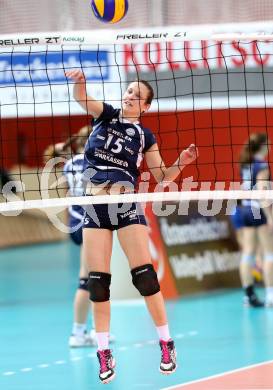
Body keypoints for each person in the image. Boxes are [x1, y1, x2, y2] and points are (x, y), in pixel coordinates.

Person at [65, 69, 198, 384]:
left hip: (125, 205)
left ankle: (166, 343)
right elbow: (82, 99)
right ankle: (103, 352)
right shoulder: (106, 115)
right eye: (128, 91)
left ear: (146, 107)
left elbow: (163, 176)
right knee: (97, 283)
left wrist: (182, 162)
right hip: (96, 206)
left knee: (146, 277)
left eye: (137, 96)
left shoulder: (145, 136)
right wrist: (79, 84)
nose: (129, 96)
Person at [44, 127, 115, 347]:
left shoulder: (68, 164)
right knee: (90, 280)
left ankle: (88, 330)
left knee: (94, 277)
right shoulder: (96, 164)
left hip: (74, 225)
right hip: (90, 225)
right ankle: (81, 332)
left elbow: (49, 154)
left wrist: (64, 146)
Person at [232, 132, 273, 308]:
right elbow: (262, 192)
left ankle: (248, 295)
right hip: (257, 209)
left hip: (243, 209)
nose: (270, 146)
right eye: (268, 143)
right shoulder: (262, 165)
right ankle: (271, 295)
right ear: (262, 145)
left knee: (248, 252)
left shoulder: (245, 163)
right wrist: (270, 217)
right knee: (269, 252)